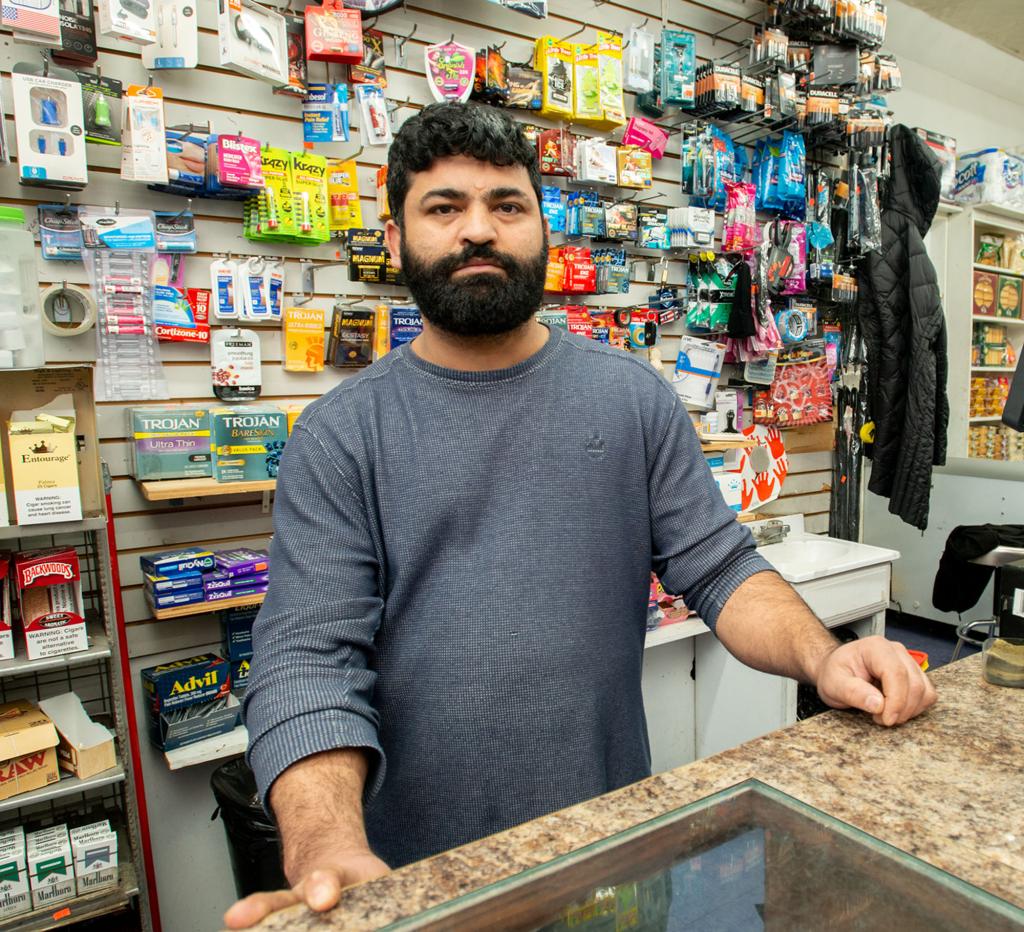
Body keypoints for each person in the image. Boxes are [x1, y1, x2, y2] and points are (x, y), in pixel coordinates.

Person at [224, 103, 937, 929]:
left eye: (508, 205)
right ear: (395, 240)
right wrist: (323, 847)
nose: (478, 230)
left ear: (544, 231)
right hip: (420, 882)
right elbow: (308, 662)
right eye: (444, 207)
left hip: (612, 860)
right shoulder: (340, 436)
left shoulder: (629, 398)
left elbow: (721, 568)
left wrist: (825, 659)